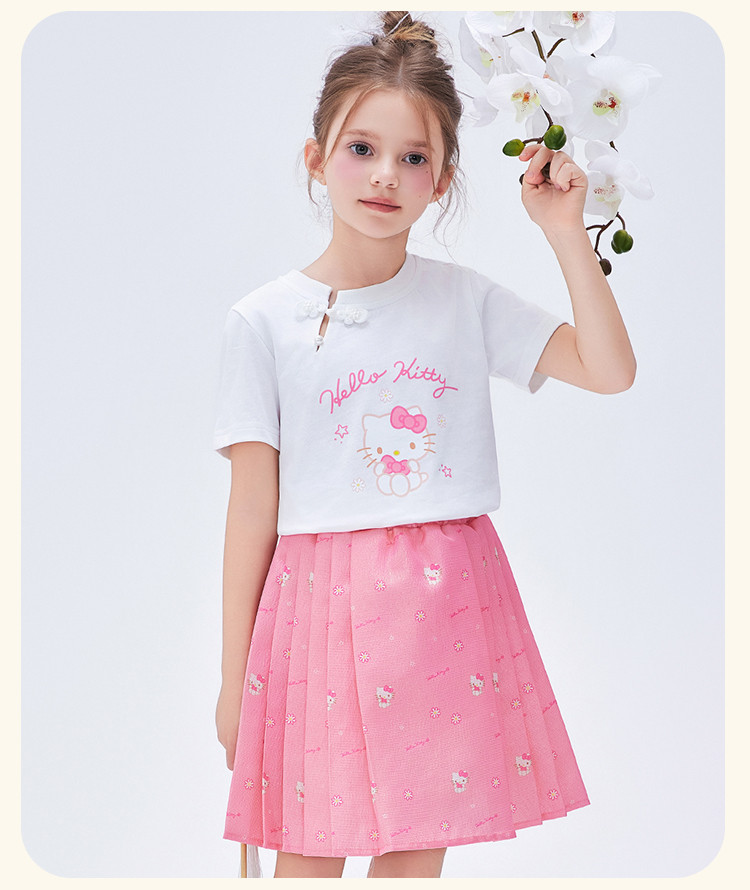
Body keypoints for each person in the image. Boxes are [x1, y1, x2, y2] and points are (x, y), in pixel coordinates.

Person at [213, 10, 636, 880]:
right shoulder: (263, 322)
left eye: (414, 158)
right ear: (316, 158)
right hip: (316, 607)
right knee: (307, 854)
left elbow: (609, 369)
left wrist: (565, 232)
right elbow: (252, 509)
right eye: (361, 148)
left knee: (413, 857)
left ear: (442, 181)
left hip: (446, 604)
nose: (385, 175)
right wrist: (233, 678)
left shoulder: (464, 301)